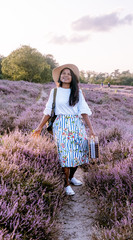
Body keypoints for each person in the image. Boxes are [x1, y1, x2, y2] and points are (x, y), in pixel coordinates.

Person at [33, 64, 95, 195]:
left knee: (80, 152)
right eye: (63, 73)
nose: (65, 75)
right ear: (60, 77)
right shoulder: (54, 91)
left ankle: (72, 177)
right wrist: (39, 127)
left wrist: (91, 129)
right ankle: (66, 183)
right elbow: (48, 110)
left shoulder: (78, 92)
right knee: (65, 154)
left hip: (76, 124)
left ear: (72, 78)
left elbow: (83, 111)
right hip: (61, 125)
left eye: (68, 74)